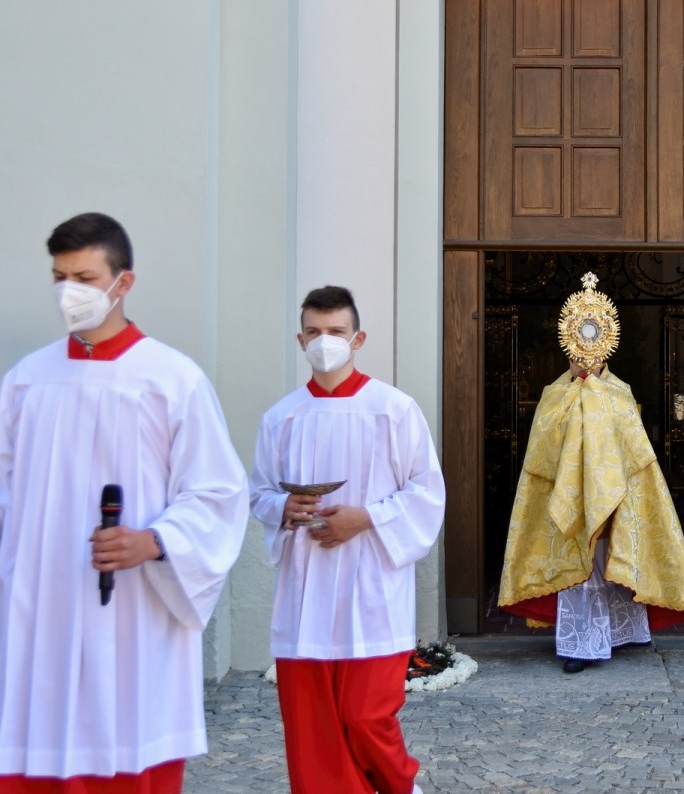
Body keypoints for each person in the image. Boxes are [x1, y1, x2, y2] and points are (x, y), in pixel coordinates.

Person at [0, 212, 249, 793]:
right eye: (60, 277)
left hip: (134, 612)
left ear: (123, 283)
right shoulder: (26, 381)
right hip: (42, 607)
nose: (70, 293)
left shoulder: (171, 378)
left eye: (85, 278)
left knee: (130, 756)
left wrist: (156, 540)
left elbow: (217, 491)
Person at [250, 286, 445, 794]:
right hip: (305, 590)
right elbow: (259, 492)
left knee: (365, 717)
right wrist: (283, 507)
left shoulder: (394, 410)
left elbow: (427, 494)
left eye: (335, 332)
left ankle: (402, 787)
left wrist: (366, 519)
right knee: (311, 730)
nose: (325, 342)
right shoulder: (282, 418)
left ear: (358, 338)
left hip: (371, 589)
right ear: (300, 340)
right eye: (314, 332)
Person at [499, 273, 684, 673]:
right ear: (567, 346)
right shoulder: (554, 395)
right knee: (581, 570)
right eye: (577, 348)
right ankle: (581, 645)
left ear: (606, 344)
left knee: (611, 565)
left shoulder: (619, 393)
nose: (584, 355)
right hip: (569, 500)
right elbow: (542, 450)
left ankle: (621, 632)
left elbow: (633, 448)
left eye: (591, 345)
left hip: (613, 499)